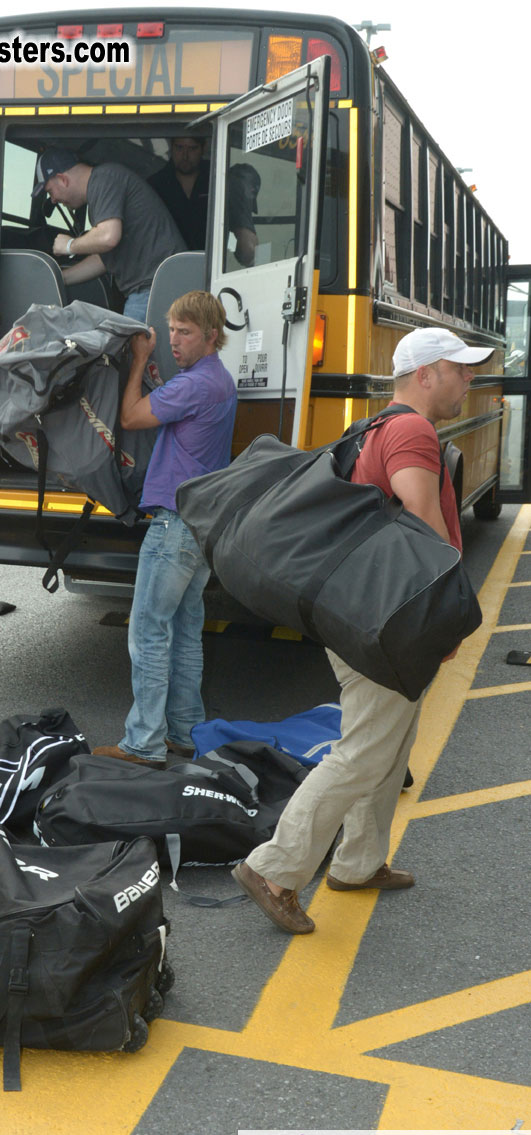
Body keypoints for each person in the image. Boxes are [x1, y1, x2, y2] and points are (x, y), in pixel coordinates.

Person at [232, 327, 494, 935]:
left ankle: (358, 862)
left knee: (389, 742)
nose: (468, 380)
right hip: (391, 622)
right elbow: (423, 524)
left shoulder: (377, 424)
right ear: (426, 374)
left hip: (370, 615)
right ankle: (274, 869)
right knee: (364, 751)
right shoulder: (411, 431)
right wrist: (443, 619)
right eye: (460, 369)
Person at [93, 291, 236, 767]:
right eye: (172, 330)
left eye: (185, 332)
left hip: (174, 525)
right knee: (185, 629)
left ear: (211, 335)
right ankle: (183, 730)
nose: (174, 340)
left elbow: (131, 416)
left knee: (148, 632)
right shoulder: (219, 381)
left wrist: (138, 361)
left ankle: (143, 743)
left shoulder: (196, 384)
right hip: (200, 525)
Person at [33, 147, 185, 323]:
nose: (52, 200)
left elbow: (108, 237)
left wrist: (69, 245)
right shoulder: (102, 187)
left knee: (130, 349)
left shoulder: (104, 179)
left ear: (62, 179)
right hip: (156, 287)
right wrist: (61, 277)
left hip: (153, 289)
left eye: (50, 191)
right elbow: (103, 259)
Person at [148, 137, 211, 251]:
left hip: (212, 262)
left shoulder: (217, 178)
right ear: (171, 147)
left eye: (192, 149)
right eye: (179, 148)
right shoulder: (155, 185)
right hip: (167, 262)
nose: (185, 156)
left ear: (204, 148)